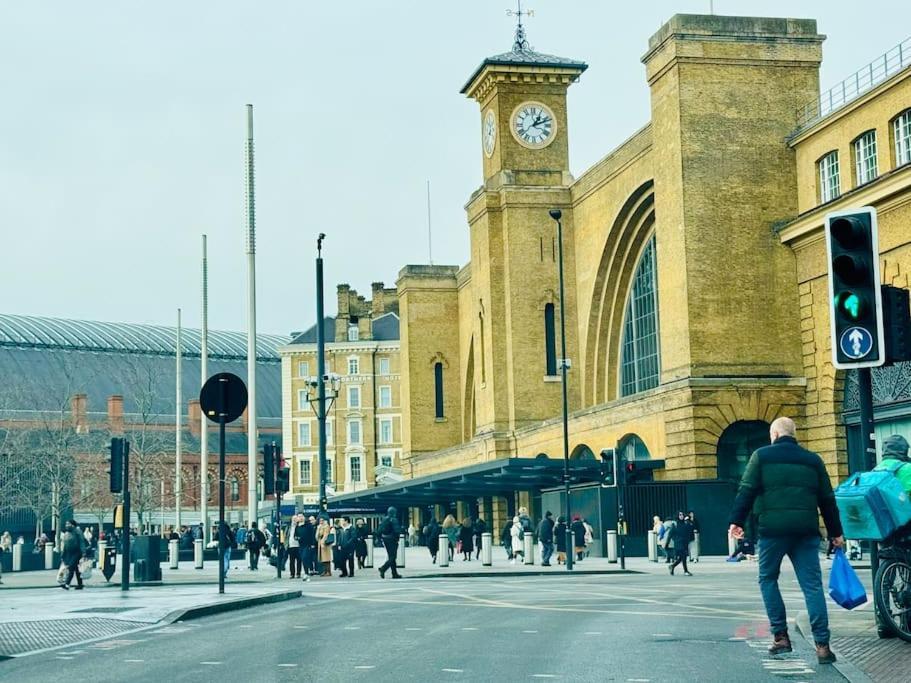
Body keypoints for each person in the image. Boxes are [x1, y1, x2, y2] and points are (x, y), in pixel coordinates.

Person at [729, 416, 843, 665]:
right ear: (794, 434)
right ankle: (822, 646)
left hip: (773, 531)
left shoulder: (761, 456)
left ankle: (781, 637)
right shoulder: (813, 460)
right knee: (812, 587)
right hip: (806, 531)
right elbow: (827, 500)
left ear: (775, 435)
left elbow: (746, 490)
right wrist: (836, 533)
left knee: (768, 579)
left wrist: (736, 522)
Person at [60, 520, 86, 590]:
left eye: (68, 524)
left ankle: (67, 584)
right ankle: (80, 584)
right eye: (66, 524)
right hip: (69, 553)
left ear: (73, 525)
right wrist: (63, 554)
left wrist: (83, 552)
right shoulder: (66, 533)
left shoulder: (78, 531)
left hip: (77, 552)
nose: (67, 525)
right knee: (76, 569)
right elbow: (65, 545)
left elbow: (81, 542)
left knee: (71, 567)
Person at [377, 507, 402, 579]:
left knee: (391, 556)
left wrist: (379, 539)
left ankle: (394, 573)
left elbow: (379, 530)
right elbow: (397, 530)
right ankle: (383, 568)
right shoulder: (393, 519)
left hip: (385, 539)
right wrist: (398, 538)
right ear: (394, 512)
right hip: (392, 539)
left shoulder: (384, 519)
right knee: (393, 557)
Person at [668, 511, 694, 576]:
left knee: (681, 558)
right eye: (680, 515)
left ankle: (672, 566)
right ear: (677, 516)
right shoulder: (675, 524)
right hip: (679, 543)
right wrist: (668, 543)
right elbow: (670, 534)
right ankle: (686, 571)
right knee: (684, 557)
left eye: (682, 514)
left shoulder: (685, 523)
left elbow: (691, 528)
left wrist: (688, 521)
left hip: (685, 543)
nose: (681, 516)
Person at [287, 514, 302, 579]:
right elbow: (287, 535)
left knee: (299, 560)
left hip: (298, 545)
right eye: (293, 519)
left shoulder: (299, 526)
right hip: (291, 545)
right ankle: (292, 574)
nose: (294, 520)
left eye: (296, 519)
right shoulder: (289, 527)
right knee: (291, 561)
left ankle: (298, 573)